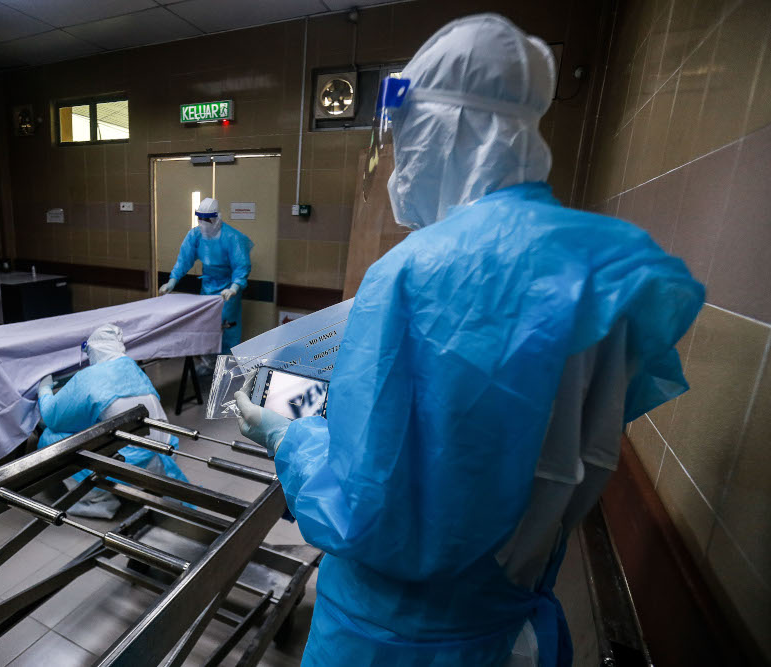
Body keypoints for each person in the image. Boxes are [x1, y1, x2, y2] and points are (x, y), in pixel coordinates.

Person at [234, 14, 704, 667]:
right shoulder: (614, 265)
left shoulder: (408, 273)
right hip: (512, 627)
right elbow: (536, 440)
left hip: (387, 636)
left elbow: (361, 510)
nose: (404, 157)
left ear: (448, 132)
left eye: (409, 135)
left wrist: (287, 436)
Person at [37, 323, 188, 519]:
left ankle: (100, 501)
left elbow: (52, 417)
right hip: (164, 455)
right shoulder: (132, 368)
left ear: (93, 349)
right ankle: (147, 484)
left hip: (132, 464)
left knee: (51, 436)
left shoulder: (89, 378)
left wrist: (44, 390)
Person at [160, 197, 253, 353]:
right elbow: (184, 259)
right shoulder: (195, 235)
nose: (203, 223)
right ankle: (206, 363)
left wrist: (234, 288)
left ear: (217, 218)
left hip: (228, 290)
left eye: (207, 219)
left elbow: (241, 266)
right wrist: (172, 281)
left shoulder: (232, 237)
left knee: (226, 327)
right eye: (200, 218)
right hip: (207, 287)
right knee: (206, 325)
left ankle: (226, 366)